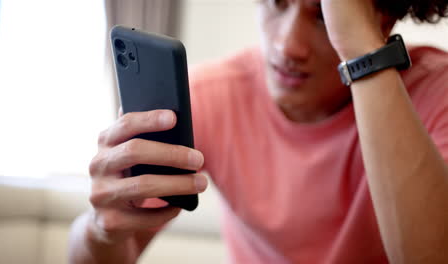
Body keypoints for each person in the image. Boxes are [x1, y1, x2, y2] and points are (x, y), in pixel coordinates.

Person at [69, 0, 448, 263]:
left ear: (384, 20)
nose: (287, 45)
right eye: (276, 1)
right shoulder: (209, 97)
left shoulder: (436, 94)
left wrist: (364, 53)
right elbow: (112, 253)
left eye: (322, 14)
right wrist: (99, 229)